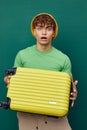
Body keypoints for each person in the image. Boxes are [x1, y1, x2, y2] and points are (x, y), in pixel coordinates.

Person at [4, 13, 78, 130]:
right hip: (27, 114)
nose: (44, 33)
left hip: (54, 114)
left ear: (53, 33)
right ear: (34, 32)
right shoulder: (22, 56)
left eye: (48, 29)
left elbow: (69, 89)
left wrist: (72, 93)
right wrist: (8, 82)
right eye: (39, 28)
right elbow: (13, 83)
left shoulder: (63, 59)